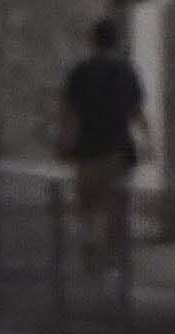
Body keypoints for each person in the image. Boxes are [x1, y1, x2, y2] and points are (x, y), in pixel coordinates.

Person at [58, 12, 148, 273]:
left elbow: (68, 112)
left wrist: (64, 142)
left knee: (88, 206)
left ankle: (91, 251)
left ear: (93, 41)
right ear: (117, 41)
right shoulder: (126, 71)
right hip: (118, 151)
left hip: (87, 150)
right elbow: (137, 110)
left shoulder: (80, 72)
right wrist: (148, 140)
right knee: (116, 206)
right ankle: (113, 258)